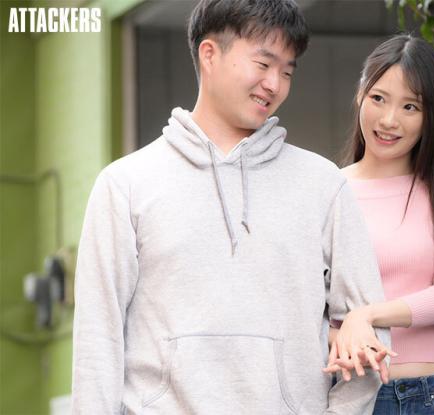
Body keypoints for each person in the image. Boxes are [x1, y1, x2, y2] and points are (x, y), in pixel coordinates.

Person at [70, 1, 391, 413]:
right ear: (209, 54)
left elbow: (369, 326)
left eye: (287, 72)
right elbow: (98, 337)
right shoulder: (125, 184)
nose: (274, 84)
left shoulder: (322, 185)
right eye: (263, 63)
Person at [323, 35, 434, 414]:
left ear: (431, 116)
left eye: (410, 107)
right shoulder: (327, 189)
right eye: (378, 98)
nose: (389, 120)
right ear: (360, 95)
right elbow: (304, 308)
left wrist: (365, 316)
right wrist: (341, 335)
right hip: (355, 397)